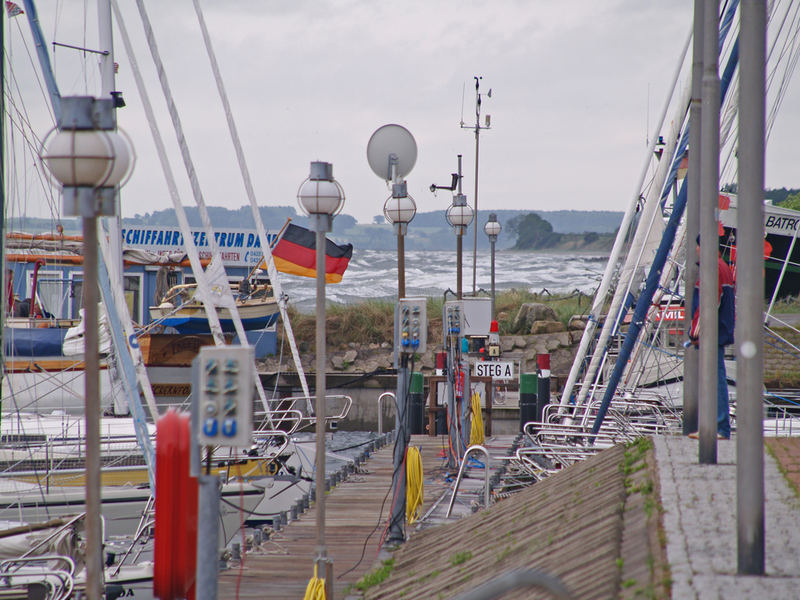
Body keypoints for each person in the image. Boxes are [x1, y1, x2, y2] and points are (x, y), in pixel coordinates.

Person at [688, 235, 735, 439]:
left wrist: (696, 332)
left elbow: (709, 302)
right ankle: (713, 426)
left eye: (697, 246)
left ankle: (719, 427)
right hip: (719, 330)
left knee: (715, 379)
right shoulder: (721, 266)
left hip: (712, 333)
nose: (696, 250)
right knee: (714, 378)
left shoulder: (712, 268)